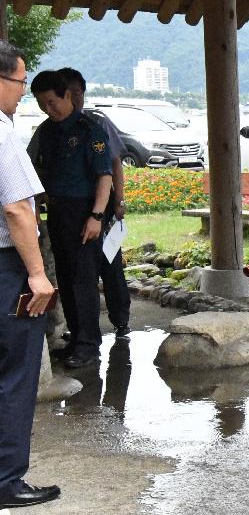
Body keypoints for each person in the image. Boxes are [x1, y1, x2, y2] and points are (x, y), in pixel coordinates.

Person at [0, 39, 62, 509]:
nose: (23, 92)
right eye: (21, 82)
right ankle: (6, 479)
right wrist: (37, 274)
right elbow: (18, 208)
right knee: (16, 372)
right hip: (5, 268)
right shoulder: (1, 133)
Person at [30, 70, 113, 369]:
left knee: (83, 280)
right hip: (58, 212)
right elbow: (40, 169)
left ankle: (89, 345)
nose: (48, 109)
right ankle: (76, 338)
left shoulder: (90, 129)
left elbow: (105, 175)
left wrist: (96, 216)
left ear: (67, 95)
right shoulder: (47, 131)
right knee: (65, 278)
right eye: (42, 104)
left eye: (52, 102)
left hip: (84, 213)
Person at [60, 67, 131, 340]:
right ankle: (79, 327)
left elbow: (115, 164)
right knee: (77, 270)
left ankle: (121, 319)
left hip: (104, 203)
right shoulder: (53, 128)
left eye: (77, 93)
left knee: (110, 262)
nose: (74, 99)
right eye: (68, 94)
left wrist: (119, 200)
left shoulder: (97, 122)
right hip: (72, 208)